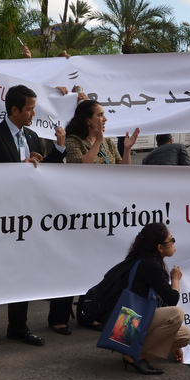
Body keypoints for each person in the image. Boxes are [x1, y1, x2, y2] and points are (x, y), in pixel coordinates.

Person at [0, 84, 66, 353]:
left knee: (23, 273)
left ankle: (18, 326)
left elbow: (40, 174)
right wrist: (16, 171)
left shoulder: (34, 136)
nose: (33, 113)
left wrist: (58, 150)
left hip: (27, 219)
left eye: (34, 108)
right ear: (14, 110)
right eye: (29, 109)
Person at [57, 99, 140, 334]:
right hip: (80, 212)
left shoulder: (110, 142)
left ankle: (89, 312)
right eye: (100, 115)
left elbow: (122, 173)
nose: (104, 119)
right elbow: (81, 167)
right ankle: (59, 316)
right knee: (73, 263)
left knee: (98, 265)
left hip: (105, 213)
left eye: (104, 115)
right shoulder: (74, 141)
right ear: (87, 119)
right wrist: (98, 142)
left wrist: (126, 150)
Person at [96, 223, 190, 375]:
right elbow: (172, 299)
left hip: (132, 323)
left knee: (184, 335)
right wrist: (176, 279)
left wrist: (170, 336)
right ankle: (134, 356)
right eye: (171, 240)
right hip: (126, 327)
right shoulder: (150, 264)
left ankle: (136, 353)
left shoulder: (145, 259)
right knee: (176, 313)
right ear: (160, 247)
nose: (174, 243)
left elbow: (159, 302)